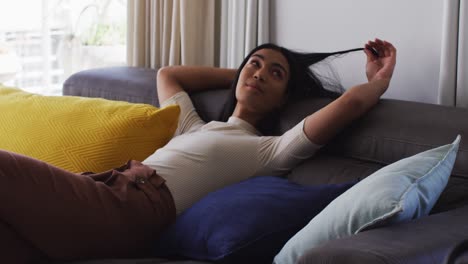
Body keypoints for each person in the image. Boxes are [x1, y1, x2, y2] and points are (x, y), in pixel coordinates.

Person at [0, 38, 396, 263]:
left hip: (132, 208)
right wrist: (242, 72)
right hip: (105, 189)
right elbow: (168, 75)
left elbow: (350, 106)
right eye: (255, 65)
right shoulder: (195, 125)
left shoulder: (269, 150)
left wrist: (376, 82)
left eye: (275, 74)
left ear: (284, 97)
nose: (258, 73)